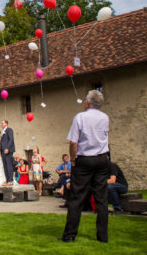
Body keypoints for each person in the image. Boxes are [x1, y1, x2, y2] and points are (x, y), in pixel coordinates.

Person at [60, 90, 110, 243]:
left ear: (88, 102)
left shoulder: (80, 117)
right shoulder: (105, 117)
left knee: (77, 198)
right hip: (102, 159)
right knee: (102, 199)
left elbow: (73, 142)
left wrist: (73, 160)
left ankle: (70, 235)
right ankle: (102, 237)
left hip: (85, 160)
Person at [0, 120, 15, 185]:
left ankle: (10, 180)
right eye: (1, 123)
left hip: (8, 150)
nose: (1, 124)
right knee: (5, 166)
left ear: (6, 124)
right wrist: (1, 152)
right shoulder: (2, 132)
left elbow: (11, 139)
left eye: (2, 123)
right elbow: (1, 143)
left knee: (9, 165)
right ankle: (7, 180)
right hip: (3, 151)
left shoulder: (9, 130)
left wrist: (7, 148)